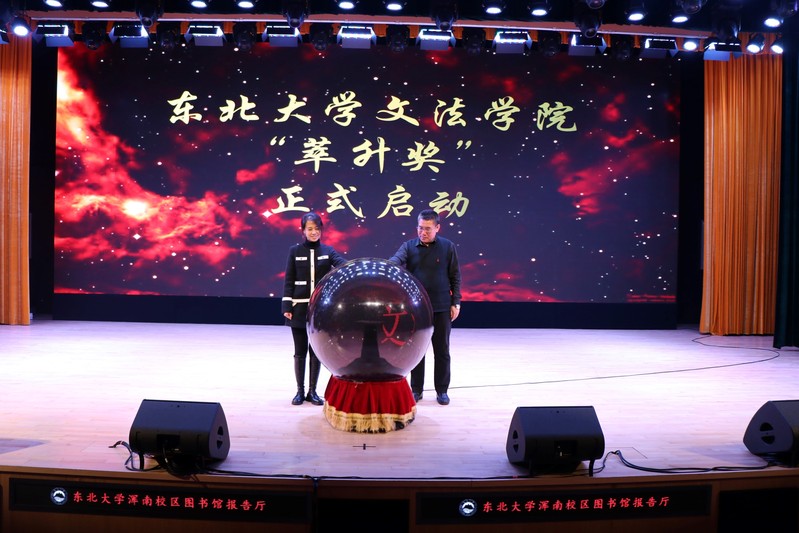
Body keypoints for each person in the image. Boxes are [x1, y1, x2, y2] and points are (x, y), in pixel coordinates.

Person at [388, 209, 461, 405]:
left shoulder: (447, 247)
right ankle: (416, 389)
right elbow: (395, 261)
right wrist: (388, 266)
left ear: (437, 228)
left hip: (442, 306)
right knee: (417, 351)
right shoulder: (408, 246)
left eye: (428, 229)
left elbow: (455, 276)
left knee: (442, 350)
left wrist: (456, 302)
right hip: (417, 309)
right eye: (420, 228)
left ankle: (442, 390)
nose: (423, 232)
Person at [282, 212, 346, 406]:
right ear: (303, 230)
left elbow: (343, 265)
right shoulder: (294, 251)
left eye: (317, 229)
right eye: (309, 229)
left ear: (321, 230)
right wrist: (286, 305)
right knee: (300, 351)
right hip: (298, 308)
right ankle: (299, 391)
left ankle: (313, 391)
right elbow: (289, 280)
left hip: (319, 311)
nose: (313, 232)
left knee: (316, 351)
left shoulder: (328, 251)